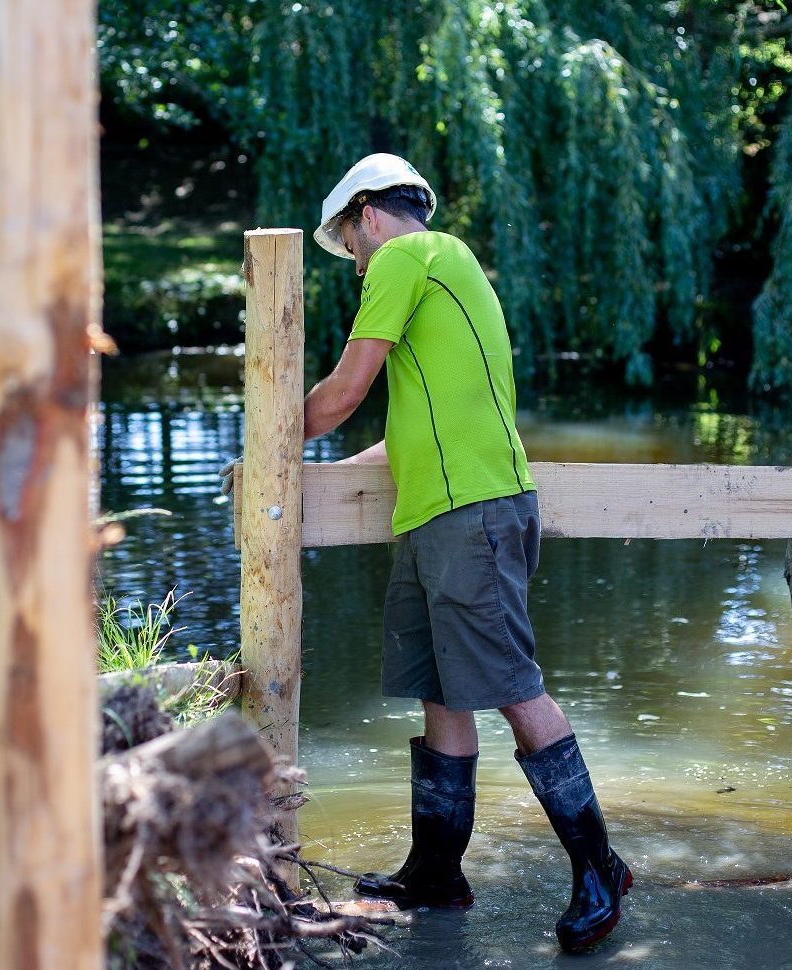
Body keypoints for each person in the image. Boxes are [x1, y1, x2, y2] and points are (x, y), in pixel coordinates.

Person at [302, 153, 632, 953]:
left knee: (511, 687)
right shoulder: (448, 264)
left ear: (368, 217)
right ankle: (436, 875)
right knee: (442, 692)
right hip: (439, 512)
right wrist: (333, 470)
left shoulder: (404, 257)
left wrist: (268, 430)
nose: (353, 265)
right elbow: (419, 420)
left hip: (470, 515)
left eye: (349, 248)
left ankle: (599, 868)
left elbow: (346, 388)